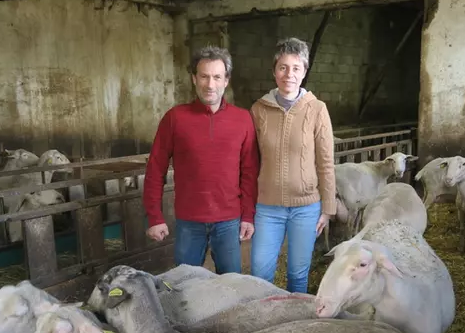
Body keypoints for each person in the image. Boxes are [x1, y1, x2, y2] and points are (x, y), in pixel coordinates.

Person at [142, 45, 260, 275]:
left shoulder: (243, 119)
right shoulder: (175, 118)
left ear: (226, 80)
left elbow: (249, 172)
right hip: (189, 220)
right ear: (194, 79)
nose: (210, 84)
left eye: (217, 77)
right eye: (204, 76)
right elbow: (155, 168)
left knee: (231, 285)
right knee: (184, 284)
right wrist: (154, 216)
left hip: (228, 220)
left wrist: (247, 216)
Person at [249, 37, 336, 293]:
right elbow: (250, 161)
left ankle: (295, 329)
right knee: (259, 273)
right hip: (267, 207)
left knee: (298, 275)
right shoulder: (258, 110)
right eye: (283, 67)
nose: (289, 74)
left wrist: (328, 208)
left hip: (306, 208)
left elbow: (326, 161)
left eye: (296, 68)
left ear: (304, 71)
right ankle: (262, 326)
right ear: (274, 71)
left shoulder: (317, 109)